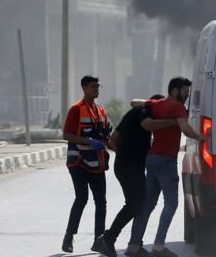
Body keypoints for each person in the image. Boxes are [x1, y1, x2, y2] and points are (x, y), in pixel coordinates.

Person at [126, 77, 205, 257]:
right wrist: (203, 138)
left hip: (152, 158)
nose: (186, 96)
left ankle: (133, 245)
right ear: (175, 90)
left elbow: (134, 102)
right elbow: (185, 130)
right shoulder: (177, 107)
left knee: (147, 205)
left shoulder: (156, 103)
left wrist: (149, 104)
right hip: (166, 161)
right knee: (171, 203)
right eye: (185, 92)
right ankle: (159, 246)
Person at [96, 94, 178, 257]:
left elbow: (112, 138)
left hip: (124, 165)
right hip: (130, 167)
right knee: (134, 204)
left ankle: (126, 242)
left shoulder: (131, 114)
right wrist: (173, 121)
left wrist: (123, 155)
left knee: (136, 203)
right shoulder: (144, 112)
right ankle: (108, 238)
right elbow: (147, 125)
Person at [61, 75, 112, 253]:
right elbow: (66, 135)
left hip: (97, 163)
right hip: (78, 162)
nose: (97, 89)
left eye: (98, 86)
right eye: (93, 86)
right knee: (81, 198)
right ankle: (69, 236)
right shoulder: (76, 109)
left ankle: (99, 239)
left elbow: (107, 138)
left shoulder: (101, 111)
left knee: (101, 202)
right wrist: (88, 141)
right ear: (84, 88)